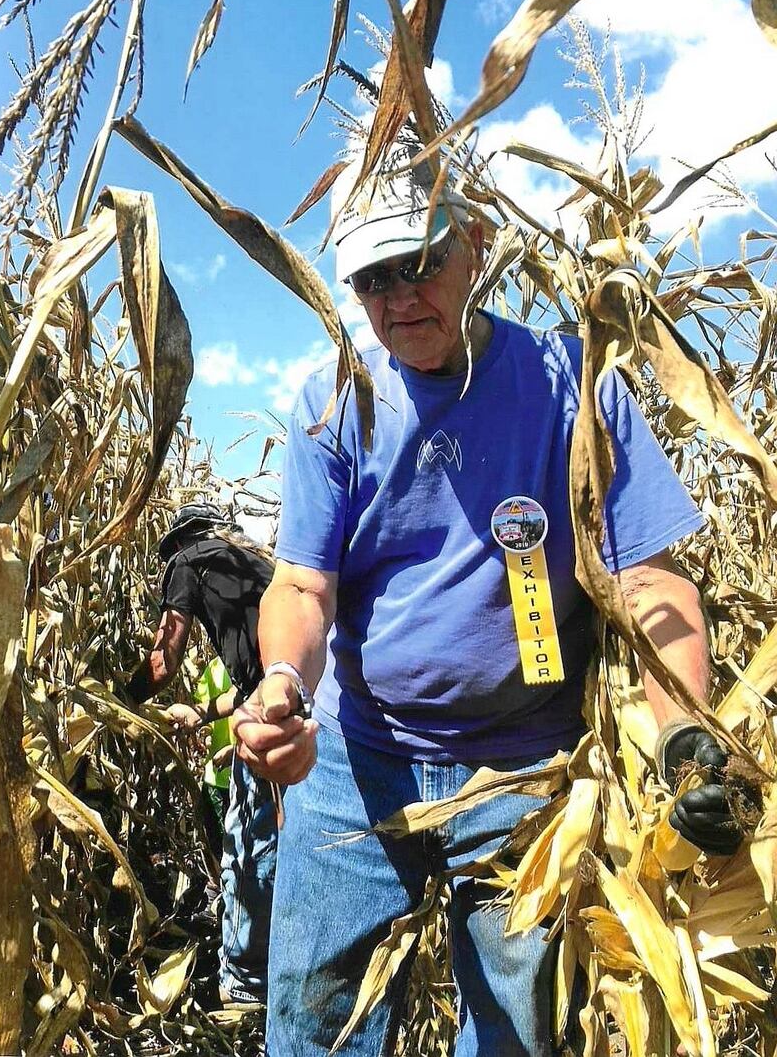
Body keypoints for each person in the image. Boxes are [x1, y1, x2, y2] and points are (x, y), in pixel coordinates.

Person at [232, 138, 742, 1056]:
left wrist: (687, 739)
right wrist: (280, 683)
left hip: (523, 774)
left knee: (517, 1033)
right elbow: (304, 583)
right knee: (313, 1025)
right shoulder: (335, 405)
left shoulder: (572, 389)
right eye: (373, 280)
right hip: (358, 765)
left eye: (421, 263)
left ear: (475, 239)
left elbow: (648, 579)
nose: (400, 300)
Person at [127, 502, 276, 1007]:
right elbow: (258, 679)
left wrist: (118, 698)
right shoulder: (252, 564)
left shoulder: (188, 561)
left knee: (249, 845)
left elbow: (164, 660)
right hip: (302, 701)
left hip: (270, 724)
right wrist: (198, 711)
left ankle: (245, 980)